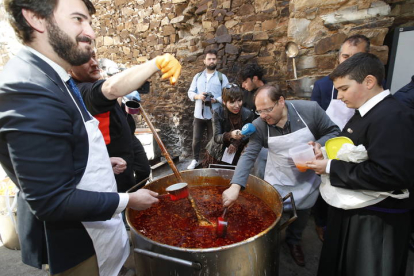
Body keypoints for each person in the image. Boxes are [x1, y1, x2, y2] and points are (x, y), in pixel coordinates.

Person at [0, 0, 181, 275]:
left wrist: (95, 164)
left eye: (89, 22)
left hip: (101, 230)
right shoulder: (27, 88)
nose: (90, 32)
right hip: (81, 243)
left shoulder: (55, 78)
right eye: (77, 19)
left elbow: (64, 144)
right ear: (36, 18)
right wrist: (128, 201)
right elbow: (52, 201)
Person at [307, 53, 414, 276]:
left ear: (369, 81)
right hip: (354, 212)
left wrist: (329, 167)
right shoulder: (365, 112)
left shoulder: (393, 116)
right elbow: (355, 150)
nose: (338, 97)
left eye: (344, 89)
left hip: (374, 223)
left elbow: (390, 174)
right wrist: (325, 152)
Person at [222, 85, 340, 266]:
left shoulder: (310, 110)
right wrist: (235, 186)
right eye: (258, 111)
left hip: (306, 179)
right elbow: (249, 155)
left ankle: (294, 242)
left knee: (300, 216)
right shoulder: (259, 125)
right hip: (277, 177)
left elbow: (334, 132)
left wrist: (319, 144)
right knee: (271, 216)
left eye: (267, 109)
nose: (263, 116)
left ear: (281, 101)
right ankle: (270, 243)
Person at [310, 34, 370, 241]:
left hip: (357, 145)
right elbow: (314, 118)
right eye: (345, 56)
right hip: (328, 143)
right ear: (338, 58)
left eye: (356, 56)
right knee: (323, 186)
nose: (350, 61)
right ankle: (321, 222)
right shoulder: (323, 86)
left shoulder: (372, 87)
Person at [70, 52, 151, 193]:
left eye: (94, 57)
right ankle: (131, 206)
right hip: (112, 151)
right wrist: (154, 65)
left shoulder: (95, 83)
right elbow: (110, 89)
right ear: (69, 69)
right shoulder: (79, 91)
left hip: (129, 139)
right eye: (84, 60)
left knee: (144, 171)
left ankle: (137, 198)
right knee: (124, 187)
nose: (94, 63)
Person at [187, 49, 229, 169]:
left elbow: (227, 94)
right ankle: (195, 160)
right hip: (199, 114)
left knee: (213, 140)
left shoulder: (222, 77)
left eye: (214, 59)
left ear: (217, 61)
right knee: (196, 139)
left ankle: (210, 161)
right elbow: (190, 92)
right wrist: (198, 96)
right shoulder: (197, 76)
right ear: (204, 61)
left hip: (214, 115)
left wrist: (216, 99)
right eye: (209, 59)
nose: (211, 61)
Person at [203, 83, 255, 167]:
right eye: (232, 102)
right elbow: (217, 137)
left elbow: (248, 134)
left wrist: (235, 143)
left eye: (239, 100)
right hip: (218, 152)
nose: (237, 105)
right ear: (224, 101)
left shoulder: (248, 114)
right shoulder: (218, 113)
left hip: (238, 152)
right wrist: (230, 135)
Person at [239, 63, 267, 178]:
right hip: (251, 138)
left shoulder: (269, 92)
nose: (243, 85)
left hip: (267, 139)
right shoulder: (246, 94)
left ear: (254, 78)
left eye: (245, 81)